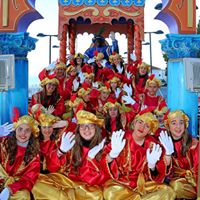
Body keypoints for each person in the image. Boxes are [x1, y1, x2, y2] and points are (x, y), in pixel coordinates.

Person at [32, 110, 110, 200]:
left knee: (95, 195)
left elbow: (99, 179)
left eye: (90, 126)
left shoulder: (103, 147)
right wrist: (60, 152)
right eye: (83, 126)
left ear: (96, 128)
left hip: (88, 187)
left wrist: (90, 159)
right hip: (67, 181)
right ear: (78, 129)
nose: (86, 129)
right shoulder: (70, 142)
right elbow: (51, 168)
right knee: (38, 183)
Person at [103, 109, 176, 200]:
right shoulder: (121, 137)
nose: (142, 127)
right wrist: (112, 154)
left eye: (147, 126)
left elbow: (159, 172)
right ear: (134, 123)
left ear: (150, 131)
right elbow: (104, 161)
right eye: (140, 122)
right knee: (109, 193)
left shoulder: (153, 144)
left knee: (168, 192)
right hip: (122, 183)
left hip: (145, 183)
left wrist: (152, 165)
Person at [159, 110, 199, 199]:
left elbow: (198, 170)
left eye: (181, 123)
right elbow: (162, 170)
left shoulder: (194, 144)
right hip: (172, 181)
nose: (178, 126)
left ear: (185, 125)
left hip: (194, 182)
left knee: (176, 186)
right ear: (168, 126)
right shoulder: (164, 142)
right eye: (174, 123)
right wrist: (168, 154)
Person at [0, 115, 40, 200]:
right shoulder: (4, 142)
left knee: (24, 196)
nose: (23, 133)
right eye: (20, 129)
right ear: (15, 130)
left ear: (31, 133)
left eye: (27, 130)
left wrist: (10, 189)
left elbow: (29, 179)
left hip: (16, 184)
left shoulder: (34, 155)